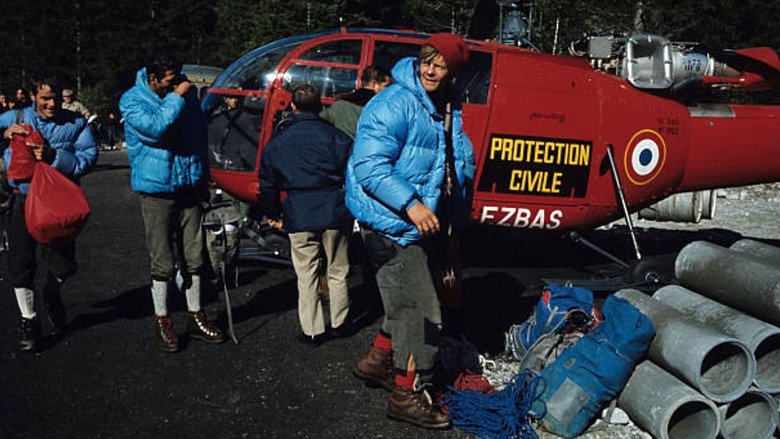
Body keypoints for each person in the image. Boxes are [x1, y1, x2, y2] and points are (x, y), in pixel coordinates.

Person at [345, 33, 475, 429]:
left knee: (407, 303)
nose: (431, 69)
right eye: (427, 61)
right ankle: (406, 394)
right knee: (420, 313)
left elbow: (449, 164)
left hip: (419, 224)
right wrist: (412, 204)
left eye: (441, 64)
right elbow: (369, 166)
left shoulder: (444, 105)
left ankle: (376, 362)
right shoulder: (395, 102)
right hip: (391, 222)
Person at [120, 53, 224, 353]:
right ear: (154, 79)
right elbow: (155, 128)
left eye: (178, 76)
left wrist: (204, 175)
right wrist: (177, 98)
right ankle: (163, 319)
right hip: (157, 188)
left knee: (194, 255)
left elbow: (197, 135)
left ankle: (195, 315)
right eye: (170, 78)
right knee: (162, 259)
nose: (177, 82)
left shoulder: (184, 95)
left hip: (188, 184)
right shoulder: (132, 100)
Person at [0, 75, 98, 351]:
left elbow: (88, 159)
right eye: (45, 98)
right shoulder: (13, 117)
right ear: (33, 96)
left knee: (64, 264)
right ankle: (28, 319)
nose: (52, 103)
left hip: (57, 203)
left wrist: (54, 156)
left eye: (55, 97)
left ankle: (52, 292)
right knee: (20, 264)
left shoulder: (76, 123)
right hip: (21, 199)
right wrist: (2, 135)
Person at [259, 84, 353, 347]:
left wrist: (273, 214)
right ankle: (340, 323)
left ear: (292, 107)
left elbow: (268, 184)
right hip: (334, 208)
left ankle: (313, 330)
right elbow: (353, 175)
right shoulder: (338, 137)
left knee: (306, 273)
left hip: (298, 211)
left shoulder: (278, 142)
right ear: (320, 107)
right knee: (338, 269)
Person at [319, 65, 391, 139]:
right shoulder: (383, 109)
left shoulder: (339, 104)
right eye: (386, 86)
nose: (390, 90)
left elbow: (318, 122)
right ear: (374, 84)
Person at [207, 95, 260, 171]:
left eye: (236, 98)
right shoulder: (218, 117)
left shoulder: (247, 118)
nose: (235, 100)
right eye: (231, 98)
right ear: (225, 99)